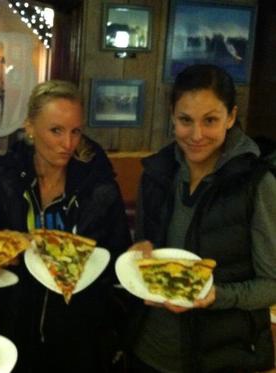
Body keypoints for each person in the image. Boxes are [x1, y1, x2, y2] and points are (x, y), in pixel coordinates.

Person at [127, 64, 276, 372]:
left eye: (210, 120)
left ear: (231, 117)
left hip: (222, 357)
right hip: (149, 349)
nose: (196, 135)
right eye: (185, 120)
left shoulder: (258, 183)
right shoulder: (157, 172)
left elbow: (272, 284)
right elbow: (146, 242)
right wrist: (139, 250)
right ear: (172, 115)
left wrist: (217, 295)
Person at [0, 80, 132, 372]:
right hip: (15, 330)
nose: (68, 144)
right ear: (30, 127)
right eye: (56, 131)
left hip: (79, 337)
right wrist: (2, 255)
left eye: (75, 131)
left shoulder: (100, 189)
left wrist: (131, 259)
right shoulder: (3, 183)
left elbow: (116, 259)